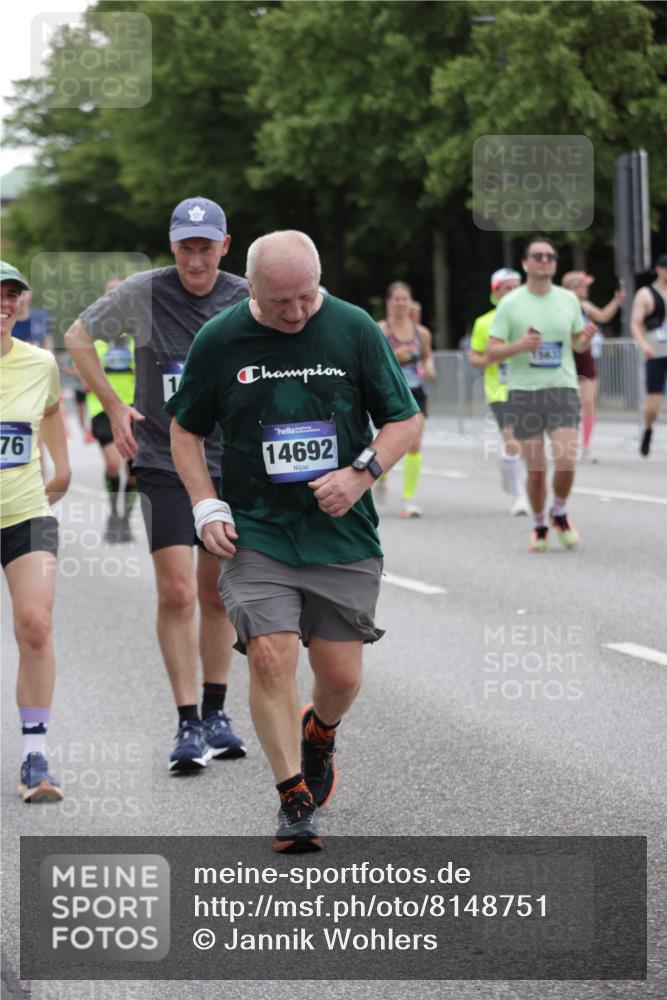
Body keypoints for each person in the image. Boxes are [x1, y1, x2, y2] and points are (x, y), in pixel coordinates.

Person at [166, 231, 420, 852]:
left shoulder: (353, 326)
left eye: (307, 297)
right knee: (273, 656)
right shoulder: (220, 340)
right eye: (282, 302)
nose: (297, 312)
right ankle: (292, 799)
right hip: (259, 532)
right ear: (249, 288)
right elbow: (185, 430)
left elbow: (405, 418)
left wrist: (363, 474)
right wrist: (205, 504)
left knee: (340, 675)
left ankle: (321, 732)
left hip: (342, 533)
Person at [64, 197, 248, 771]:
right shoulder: (145, 292)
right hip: (164, 461)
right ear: (174, 247)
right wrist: (114, 406)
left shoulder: (245, 295)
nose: (196, 260)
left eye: (206, 247)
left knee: (217, 593)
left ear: (224, 245)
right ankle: (187, 721)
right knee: (175, 590)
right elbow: (76, 337)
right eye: (186, 248)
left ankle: (218, 712)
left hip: (228, 464)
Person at [1, 262, 71, 801]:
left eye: (11, 295)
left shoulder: (40, 363)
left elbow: (50, 410)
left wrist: (61, 463)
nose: (4, 304)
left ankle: (34, 757)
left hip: (27, 511)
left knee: (36, 626)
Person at [487, 237, 596, 552]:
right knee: (536, 473)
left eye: (550, 256)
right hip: (524, 392)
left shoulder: (568, 300)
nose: (545, 260)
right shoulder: (511, 304)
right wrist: (519, 346)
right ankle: (538, 523)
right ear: (526, 263)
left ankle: (558, 511)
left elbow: (575, 344)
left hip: (561, 388)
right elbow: (492, 352)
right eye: (538, 255)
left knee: (566, 461)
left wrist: (584, 339)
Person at [469, 267, 530, 516]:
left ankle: (508, 465)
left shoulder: (530, 320)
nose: (513, 292)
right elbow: (474, 357)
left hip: (528, 386)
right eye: (507, 288)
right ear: (496, 293)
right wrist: (491, 359)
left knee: (525, 444)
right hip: (500, 391)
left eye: (516, 287)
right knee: (514, 440)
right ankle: (519, 496)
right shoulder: (484, 322)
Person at [85, 277, 138, 543]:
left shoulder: (139, 336)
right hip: (103, 407)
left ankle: (124, 519)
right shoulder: (93, 335)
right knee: (113, 464)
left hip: (134, 408)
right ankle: (113, 512)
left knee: (136, 472)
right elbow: (85, 376)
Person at [378, 281, 436, 517]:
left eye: (405, 299)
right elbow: (372, 361)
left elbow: (427, 357)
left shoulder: (421, 333)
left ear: (410, 302)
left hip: (415, 392)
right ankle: (380, 473)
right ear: (389, 303)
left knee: (415, 441)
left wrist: (430, 367)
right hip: (389, 391)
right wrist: (394, 356)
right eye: (397, 299)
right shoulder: (380, 330)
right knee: (389, 442)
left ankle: (409, 500)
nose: (401, 303)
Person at [561, 271, 624, 462]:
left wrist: (617, 300)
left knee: (589, 404)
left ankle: (585, 447)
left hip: (585, 356)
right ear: (573, 287)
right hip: (566, 357)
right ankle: (565, 444)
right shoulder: (560, 306)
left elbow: (603, 316)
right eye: (584, 286)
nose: (587, 289)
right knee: (567, 405)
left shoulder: (584, 306)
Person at [630, 252, 667, 457]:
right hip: (656, 352)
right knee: (654, 404)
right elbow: (635, 324)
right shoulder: (645, 294)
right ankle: (648, 429)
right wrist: (644, 345)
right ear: (659, 269)